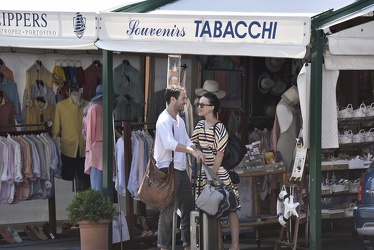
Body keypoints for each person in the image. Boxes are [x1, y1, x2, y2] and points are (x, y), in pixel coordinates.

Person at [154, 84, 204, 250]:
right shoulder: (164, 119)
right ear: (173, 99)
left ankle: (187, 244)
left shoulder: (179, 120)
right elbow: (169, 144)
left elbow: (186, 140)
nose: (186, 101)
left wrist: (196, 150)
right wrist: (190, 150)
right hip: (167, 171)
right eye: (183, 98)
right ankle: (164, 246)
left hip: (181, 171)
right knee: (168, 211)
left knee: (188, 208)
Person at [191, 92, 241, 250]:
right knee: (214, 209)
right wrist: (196, 151)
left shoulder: (220, 128)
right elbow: (192, 144)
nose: (199, 107)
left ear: (211, 108)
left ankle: (235, 246)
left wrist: (211, 174)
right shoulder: (199, 126)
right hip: (207, 173)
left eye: (202, 105)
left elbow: (220, 153)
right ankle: (219, 246)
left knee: (230, 207)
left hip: (217, 173)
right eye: (199, 104)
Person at [83, 84, 118, 191]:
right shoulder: (94, 108)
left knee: (106, 184)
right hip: (96, 148)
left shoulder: (106, 109)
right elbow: (90, 132)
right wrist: (89, 149)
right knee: (97, 186)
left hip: (106, 147)